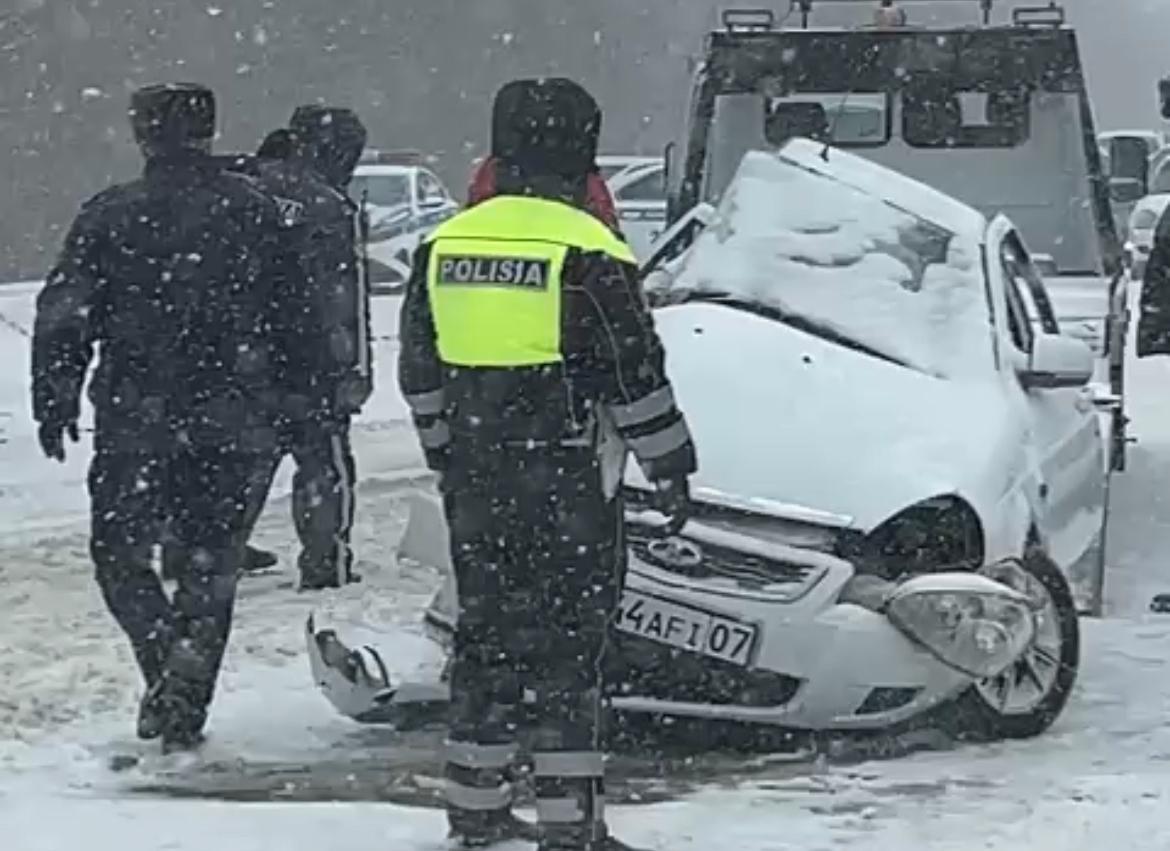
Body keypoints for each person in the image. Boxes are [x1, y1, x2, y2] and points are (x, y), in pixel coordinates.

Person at [399, 77, 697, 851]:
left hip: (476, 483)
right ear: (584, 152)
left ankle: (475, 810)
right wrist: (671, 462)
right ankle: (572, 826)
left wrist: (446, 458)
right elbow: (633, 377)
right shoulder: (590, 249)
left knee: (485, 641)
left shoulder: (444, 244)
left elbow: (421, 375)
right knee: (569, 651)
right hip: (568, 482)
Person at [31, 82, 284, 751]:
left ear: (143, 134)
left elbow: (64, 315)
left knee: (119, 556)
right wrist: (298, 403)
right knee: (210, 563)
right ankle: (184, 687)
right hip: (233, 417)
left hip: (135, 418)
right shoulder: (256, 212)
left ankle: (165, 659)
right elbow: (300, 320)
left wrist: (54, 395)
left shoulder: (111, 215)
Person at [235, 105, 372, 591]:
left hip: (243, 360)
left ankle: (221, 550)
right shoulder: (331, 206)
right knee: (324, 465)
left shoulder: (242, 188)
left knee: (246, 463)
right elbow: (346, 298)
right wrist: (355, 370)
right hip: (313, 362)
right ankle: (325, 562)